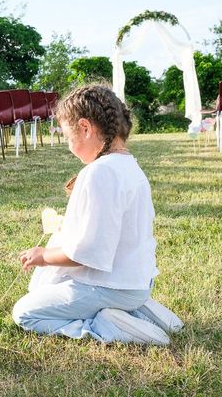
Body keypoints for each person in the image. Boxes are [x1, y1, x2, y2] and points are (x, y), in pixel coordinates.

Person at [12, 84, 183, 346]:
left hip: (109, 287)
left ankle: (106, 323)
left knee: (25, 312)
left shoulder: (100, 173)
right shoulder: (130, 166)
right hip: (136, 284)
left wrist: (43, 256)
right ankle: (139, 310)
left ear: (85, 128)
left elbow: (90, 252)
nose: (69, 146)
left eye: (68, 136)